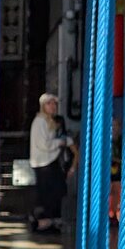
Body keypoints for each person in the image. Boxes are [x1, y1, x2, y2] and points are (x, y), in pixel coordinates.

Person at [29, 93, 75, 232]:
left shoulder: (50, 121)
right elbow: (44, 144)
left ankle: (51, 221)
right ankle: (43, 222)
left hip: (50, 162)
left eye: (54, 103)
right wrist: (60, 142)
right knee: (48, 195)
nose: (53, 106)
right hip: (43, 164)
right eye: (49, 103)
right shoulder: (40, 122)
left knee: (56, 193)